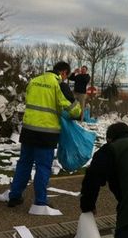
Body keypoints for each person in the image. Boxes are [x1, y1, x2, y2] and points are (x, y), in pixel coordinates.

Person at [8, 61, 81, 212]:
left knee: (24, 163)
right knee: (43, 166)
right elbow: (72, 108)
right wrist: (77, 112)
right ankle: (40, 201)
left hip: (28, 130)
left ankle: (14, 196)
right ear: (63, 73)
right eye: (66, 76)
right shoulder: (59, 85)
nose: (65, 79)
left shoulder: (34, 81)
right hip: (46, 132)